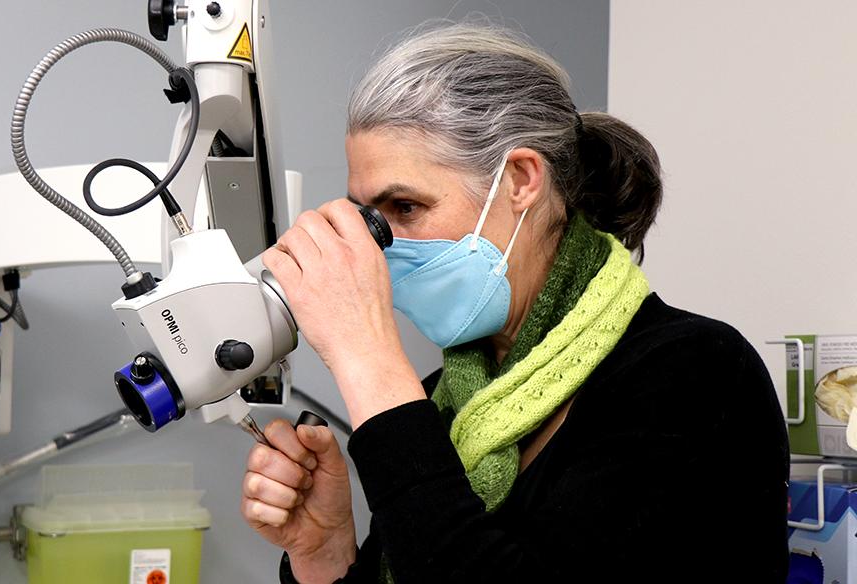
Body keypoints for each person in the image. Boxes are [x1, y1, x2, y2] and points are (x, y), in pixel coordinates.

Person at [238, 23, 790, 583]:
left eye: (404, 207)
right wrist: (326, 553)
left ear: (521, 180)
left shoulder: (697, 372)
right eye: (370, 218)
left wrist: (367, 360)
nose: (383, 248)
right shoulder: (451, 400)